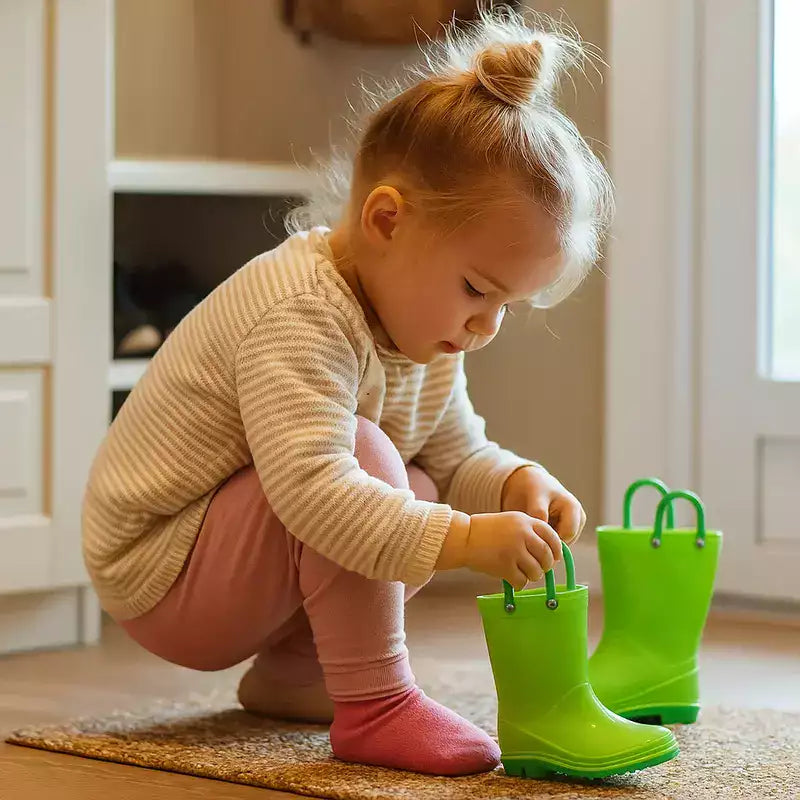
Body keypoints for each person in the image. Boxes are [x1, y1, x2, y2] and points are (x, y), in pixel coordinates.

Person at [82, 6, 613, 777]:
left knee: (414, 478)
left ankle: (298, 675)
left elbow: (454, 453)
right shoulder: (301, 311)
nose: (487, 326)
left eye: (508, 305)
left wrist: (513, 484)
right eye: (476, 289)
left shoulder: (422, 332)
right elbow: (313, 489)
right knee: (367, 459)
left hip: (224, 565)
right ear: (387, 221)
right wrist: (466, 540)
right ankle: (376, 705)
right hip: (159, 572)